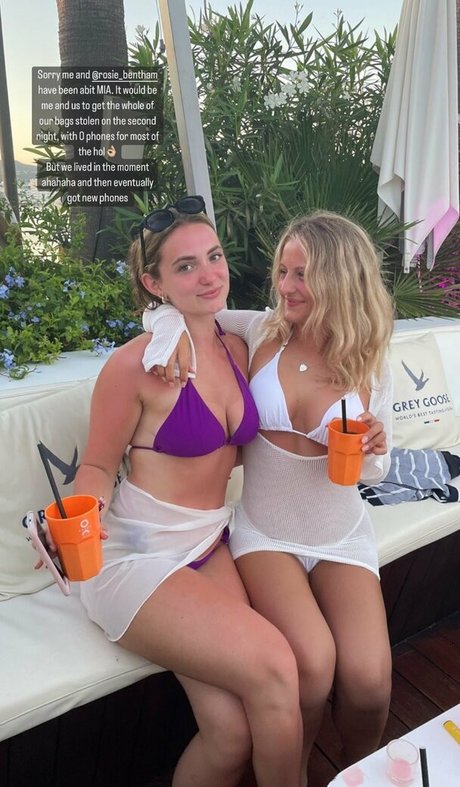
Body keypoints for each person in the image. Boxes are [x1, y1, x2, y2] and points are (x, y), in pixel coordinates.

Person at [143, 209, 395, 778]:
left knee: (370, 683)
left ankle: (358, 772)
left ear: (340, 277)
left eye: (301, 274)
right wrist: (166, 329)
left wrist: (374, 448)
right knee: (312, 666)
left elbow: (376, 472)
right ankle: (294, 773)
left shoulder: (373, 355)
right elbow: (181, 305)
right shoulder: (262, 330)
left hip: (340, 533)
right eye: (283, 271)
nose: (284, 286)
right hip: (265, 533)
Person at [68, 198, 304, 787]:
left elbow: (304, 319)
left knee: (231, 735)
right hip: (137, 553)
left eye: (214, 257)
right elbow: (96, 466)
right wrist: (79, 516)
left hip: (207, 542)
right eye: (185, 266)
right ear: (154, 283)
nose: (209, 275)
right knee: (278, 667)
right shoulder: (133, 368)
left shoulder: (239, 345)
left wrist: (168, 320)